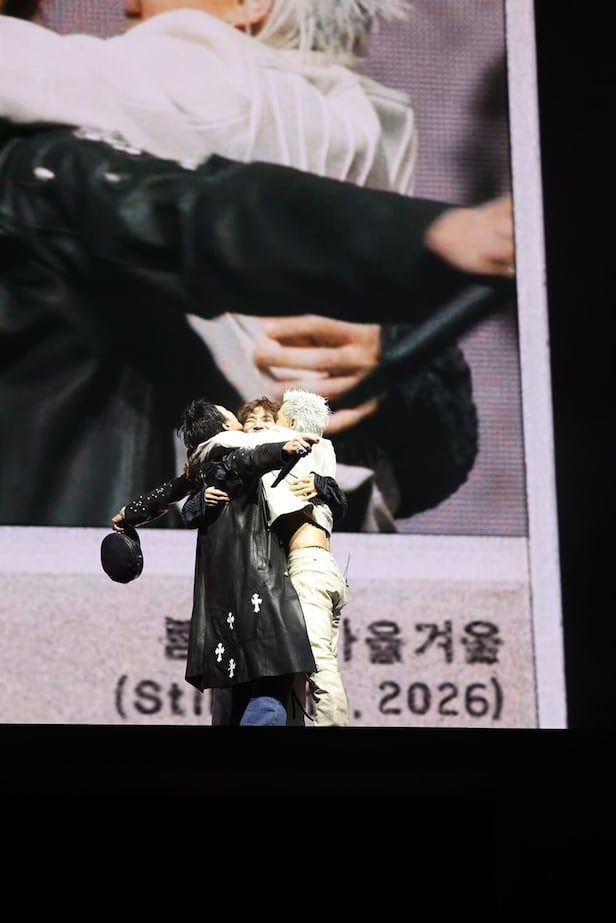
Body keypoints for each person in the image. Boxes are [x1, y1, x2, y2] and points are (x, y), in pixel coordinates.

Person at [0, 0, 516, 531]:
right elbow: (435, 459)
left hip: (172, 537)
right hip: (324, 544)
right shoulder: (363, 124)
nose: (127, 4)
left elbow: (26, 68)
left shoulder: (195, 75)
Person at [111, 396, 349, 726]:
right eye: (245, 420)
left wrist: (130, 513)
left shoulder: (218, 459)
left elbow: (180, 487)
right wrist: (281, 450)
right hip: (269, 584)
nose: (258, 426)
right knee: (279, 685)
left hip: (268, 583)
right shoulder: (231, 456)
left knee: (278, 682)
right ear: (228, 426)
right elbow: (241, 462)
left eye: (269, 421)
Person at [193, 389, 351, 725]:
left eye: (271, 421)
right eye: (252, 422)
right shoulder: (317, 453)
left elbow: (232, 442)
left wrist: (200, 453)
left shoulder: (286, 443)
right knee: (293, 678)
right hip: (317, 570)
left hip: (307, 566)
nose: (263, 427)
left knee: (316, 668)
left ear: (289, 423)